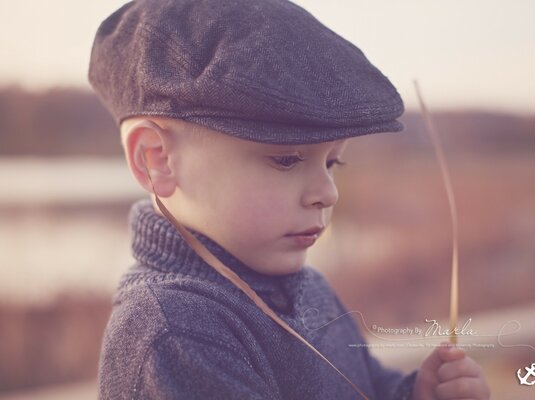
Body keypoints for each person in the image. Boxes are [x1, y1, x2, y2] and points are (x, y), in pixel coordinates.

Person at [89, 0, 490, 399]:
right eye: (285, 159)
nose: (327, 193)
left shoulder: (309, 288)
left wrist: (414, 394)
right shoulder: (175, 331)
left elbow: (364, 387)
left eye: (333, 163)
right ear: (156, 159)